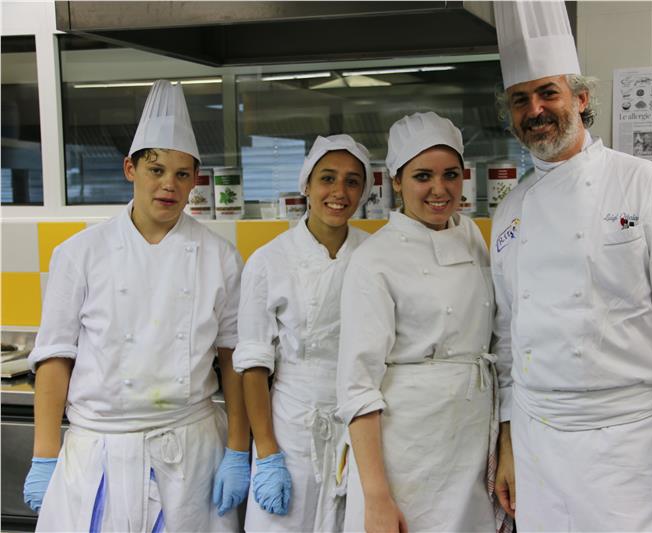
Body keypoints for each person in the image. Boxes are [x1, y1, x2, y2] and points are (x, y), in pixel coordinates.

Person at [490, 3, 652, 533]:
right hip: (538, 446)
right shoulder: (511, 210)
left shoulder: (644, 185)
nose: (535, 110)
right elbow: (509, 335)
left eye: (548, 93)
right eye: (520, 99)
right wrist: (509, 442)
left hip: (628, 446)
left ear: (581, 99)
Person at [23, 80, 249, 532]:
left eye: (182, 174)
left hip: (191, 452)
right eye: (156, 169)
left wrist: (238, 450)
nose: (169, 185)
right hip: (99, 452)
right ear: (131, 168)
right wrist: (44, 456)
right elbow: (54, 358)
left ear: (195, 180)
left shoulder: (220, 257)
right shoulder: (79, 253)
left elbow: (234, 358)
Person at [337, 112, 503, 533]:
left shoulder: (471, 236)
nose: (439, 189)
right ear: (396, 181)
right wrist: (376, 496)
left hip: (468, 438)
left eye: (451, 175)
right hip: (406, 452)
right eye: (422, 176)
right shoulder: (374, 259)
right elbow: (357, 386)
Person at [233, 134, 373, 532]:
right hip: (291, 428)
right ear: (306, 185)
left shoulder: (374, 255)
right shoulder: (269, 261)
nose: (339, 192)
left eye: (352, 181)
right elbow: (253, 366)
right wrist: (268, 454)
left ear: (364, 192)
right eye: (327, 178)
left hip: (358, 424)